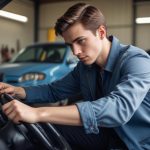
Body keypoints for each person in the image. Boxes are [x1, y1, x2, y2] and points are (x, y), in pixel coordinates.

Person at [0, 2, 150, 150]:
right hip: (104, 133)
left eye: (80, 41)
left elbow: (119, 108)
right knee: (27, 132)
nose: (75, 52)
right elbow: (54, 90)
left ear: (101, 32)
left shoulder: (136, 60)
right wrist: (18, 90)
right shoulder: (85, 68)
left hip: (135, 143)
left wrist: (38, 113)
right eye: (71, 45)